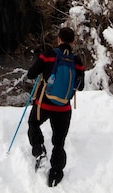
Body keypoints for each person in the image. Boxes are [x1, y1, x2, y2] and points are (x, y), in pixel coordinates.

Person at [26, 27, 85, 187]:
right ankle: (56, 172)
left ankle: (39, 150)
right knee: (59, 141)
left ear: (58, 39)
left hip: (44, 104)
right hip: (63, 108)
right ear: (72, 42)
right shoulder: (77, 61)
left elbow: (31, 74)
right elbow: (80, 87)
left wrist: (43, 72)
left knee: (33, 124)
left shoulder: (48, 55)